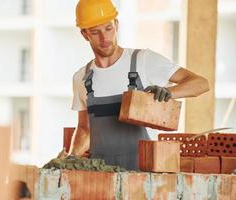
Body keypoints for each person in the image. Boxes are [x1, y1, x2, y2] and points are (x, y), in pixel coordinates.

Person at [68, 0, 209, 170]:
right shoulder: (82, 78)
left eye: (108, 28)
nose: (104, 38)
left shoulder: (143, 61)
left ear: (116, 24)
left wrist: (168, 92)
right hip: (101, 177)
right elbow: (84, 129)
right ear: (85, 35)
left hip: (141, 175)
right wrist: (70, 159)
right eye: (95, 32)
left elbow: (201, 83)